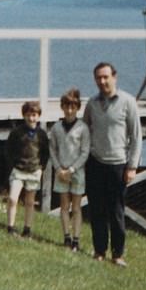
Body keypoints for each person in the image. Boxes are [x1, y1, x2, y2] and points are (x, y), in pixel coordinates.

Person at [83, 62, 142, 266]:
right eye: (99, 78)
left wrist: (132, 166)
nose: (102, 81)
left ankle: (118, 254)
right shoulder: (91, 103)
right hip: (95, 163)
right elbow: (84, 131)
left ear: (114, 77)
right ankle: (99, 250)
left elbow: (136, 137)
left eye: (106, 77)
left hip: (118, 164)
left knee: (116, 211)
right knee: (97, 210)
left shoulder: (128, 102)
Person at [49, 87, 90, 252]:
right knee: (64, 206)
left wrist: (72, 169)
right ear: (62, 107)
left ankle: (76, 239)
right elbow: (52, 149)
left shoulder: (83, 128)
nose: (69, 110)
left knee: (77, 208)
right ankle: (66, 236)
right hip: (61, 172)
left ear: (77, 108)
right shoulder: (56, 128)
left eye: (73, 107)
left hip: (77, 172)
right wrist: (59, 169)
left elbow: (85, 152)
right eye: (66, 106)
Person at [5, 100, 50, 238]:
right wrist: (12, 165)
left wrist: (41, 168)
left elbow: (45, 153)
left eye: (34, 115)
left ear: (38, 116)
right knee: (13, 199)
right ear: (24, 115)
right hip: (19, 170)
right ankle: (10, 227)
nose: (31, 118)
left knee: (30, 202)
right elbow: (9, 150)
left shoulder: (41, 134)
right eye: (29, 115)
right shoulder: (17, 132)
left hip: (34, 171)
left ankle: (27, 229)